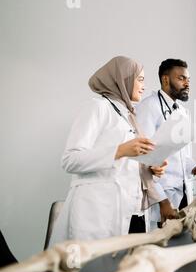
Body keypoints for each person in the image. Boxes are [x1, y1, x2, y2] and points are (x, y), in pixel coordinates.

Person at [50, 56, 167, 245]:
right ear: (123, 79)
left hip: (133, 213)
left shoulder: (130, 116)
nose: (144, 85)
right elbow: (70, 159)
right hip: (98, 214)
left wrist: (151, 168)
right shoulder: (97, 107)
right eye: (140, 79)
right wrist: (119, 150)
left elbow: (127, 165)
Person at [136, 59, 196, 227]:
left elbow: (181, 154)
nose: (187, 83)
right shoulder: (149, 107)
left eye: (188, 80)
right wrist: (163, 201)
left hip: (183, 192)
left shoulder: (182, 111)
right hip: (162, 197)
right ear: (166, 79)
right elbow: (144, 158)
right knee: (160, 246)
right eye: (182, 78)